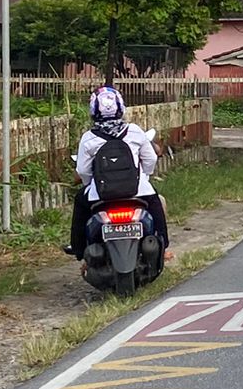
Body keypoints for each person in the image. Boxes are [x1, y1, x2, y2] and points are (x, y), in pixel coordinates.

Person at [70, 86, 170, 259]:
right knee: (156, 205)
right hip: (137, 191)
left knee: (80, 203)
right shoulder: (134, 131)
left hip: (100, 195)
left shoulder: (89, 138)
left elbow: (83, 171)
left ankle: (79, 250)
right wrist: (144, 177)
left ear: (93, 110)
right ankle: (164, 249)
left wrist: (91, 185)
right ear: (121, 108)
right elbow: (151, 159)